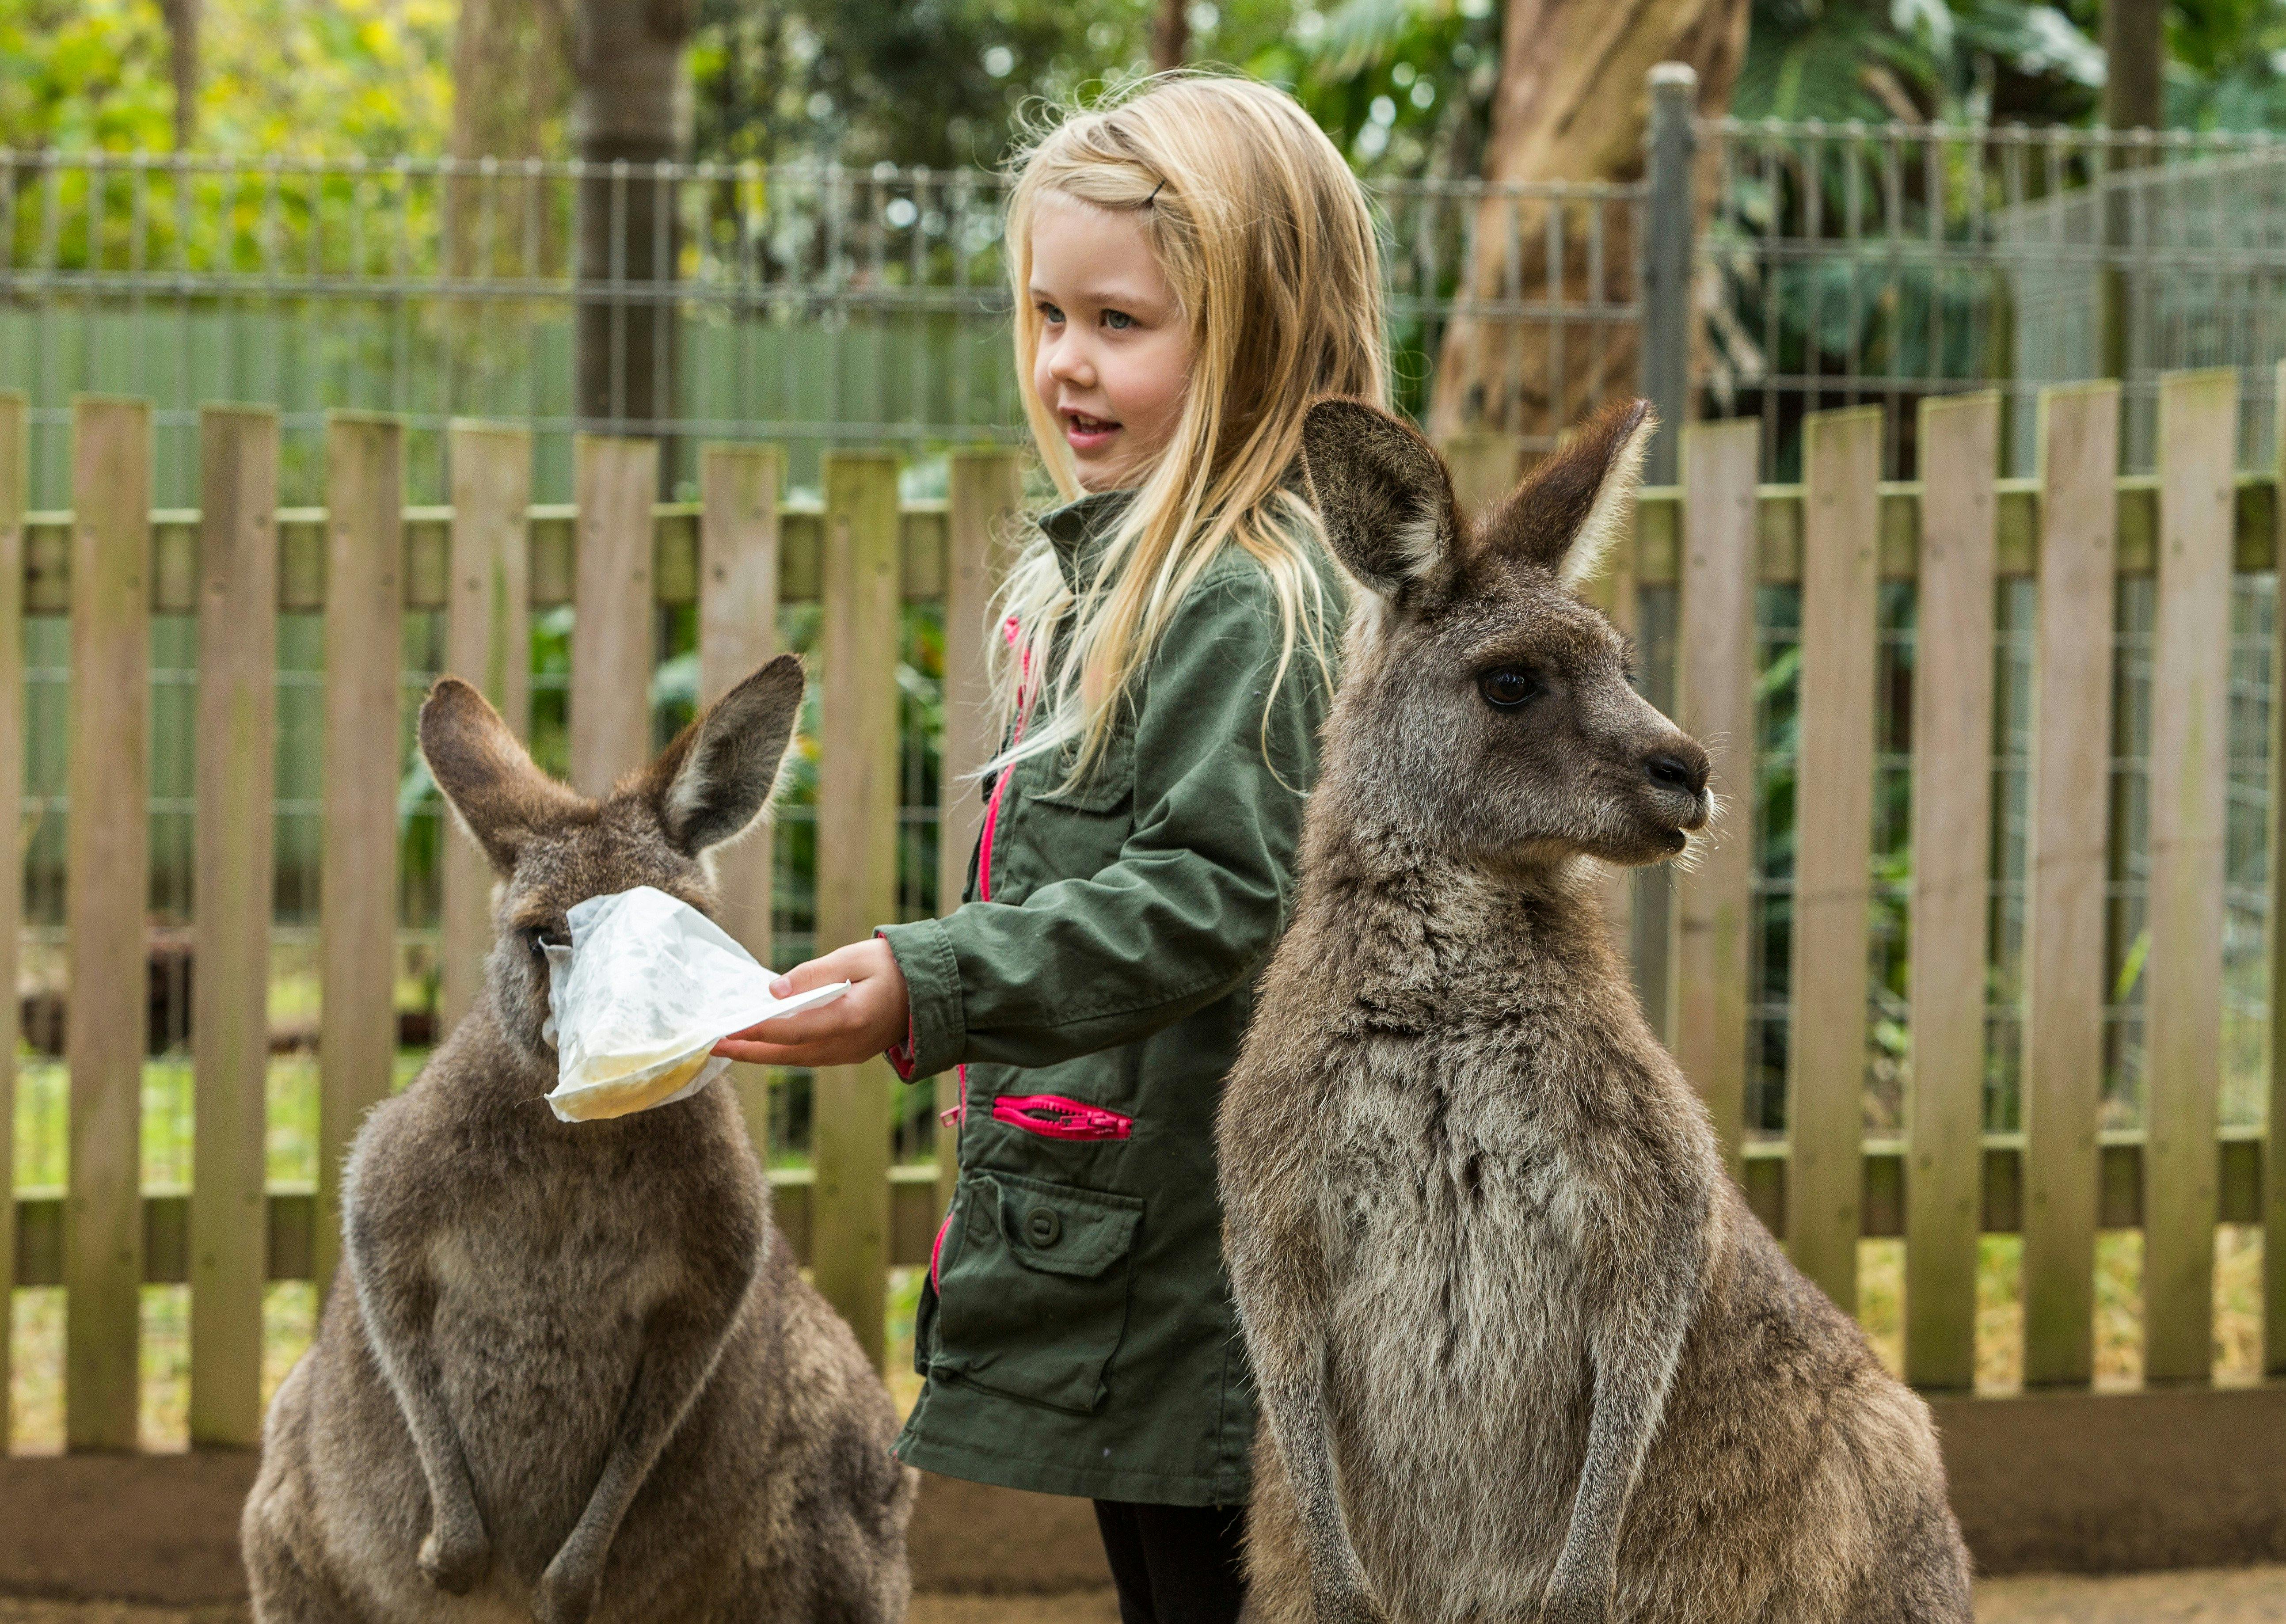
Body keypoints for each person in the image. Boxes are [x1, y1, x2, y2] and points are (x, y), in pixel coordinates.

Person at [713, 72, 1387, 1624]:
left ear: (1264, 334)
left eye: (1119, 322)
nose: (1065, 362)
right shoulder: (1112, 578)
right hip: (1121, 1235)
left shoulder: (1249, 603)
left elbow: (1219, 892)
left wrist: (930, 981)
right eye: (1046, 313)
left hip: (1205, 1266)